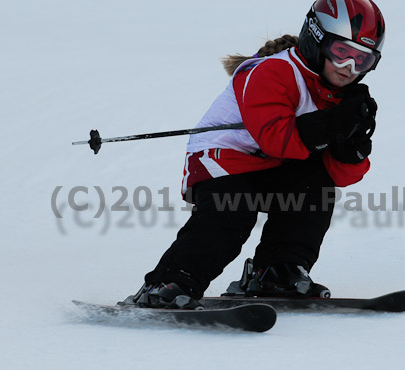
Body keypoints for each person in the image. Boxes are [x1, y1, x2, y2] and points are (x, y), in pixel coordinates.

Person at [122, 0, 386, 309]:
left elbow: (339, 176)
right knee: (235, 206)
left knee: (315, 188)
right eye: (342, 52)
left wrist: (350, 148)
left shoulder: (336, 96)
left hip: (272, 165)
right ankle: (169, 282)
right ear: (316, 38)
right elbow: (276, 139)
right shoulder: (273, 71)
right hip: (224, 160)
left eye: (362, 60)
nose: (349, 68)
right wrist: (334, 124)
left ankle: (277, 271)